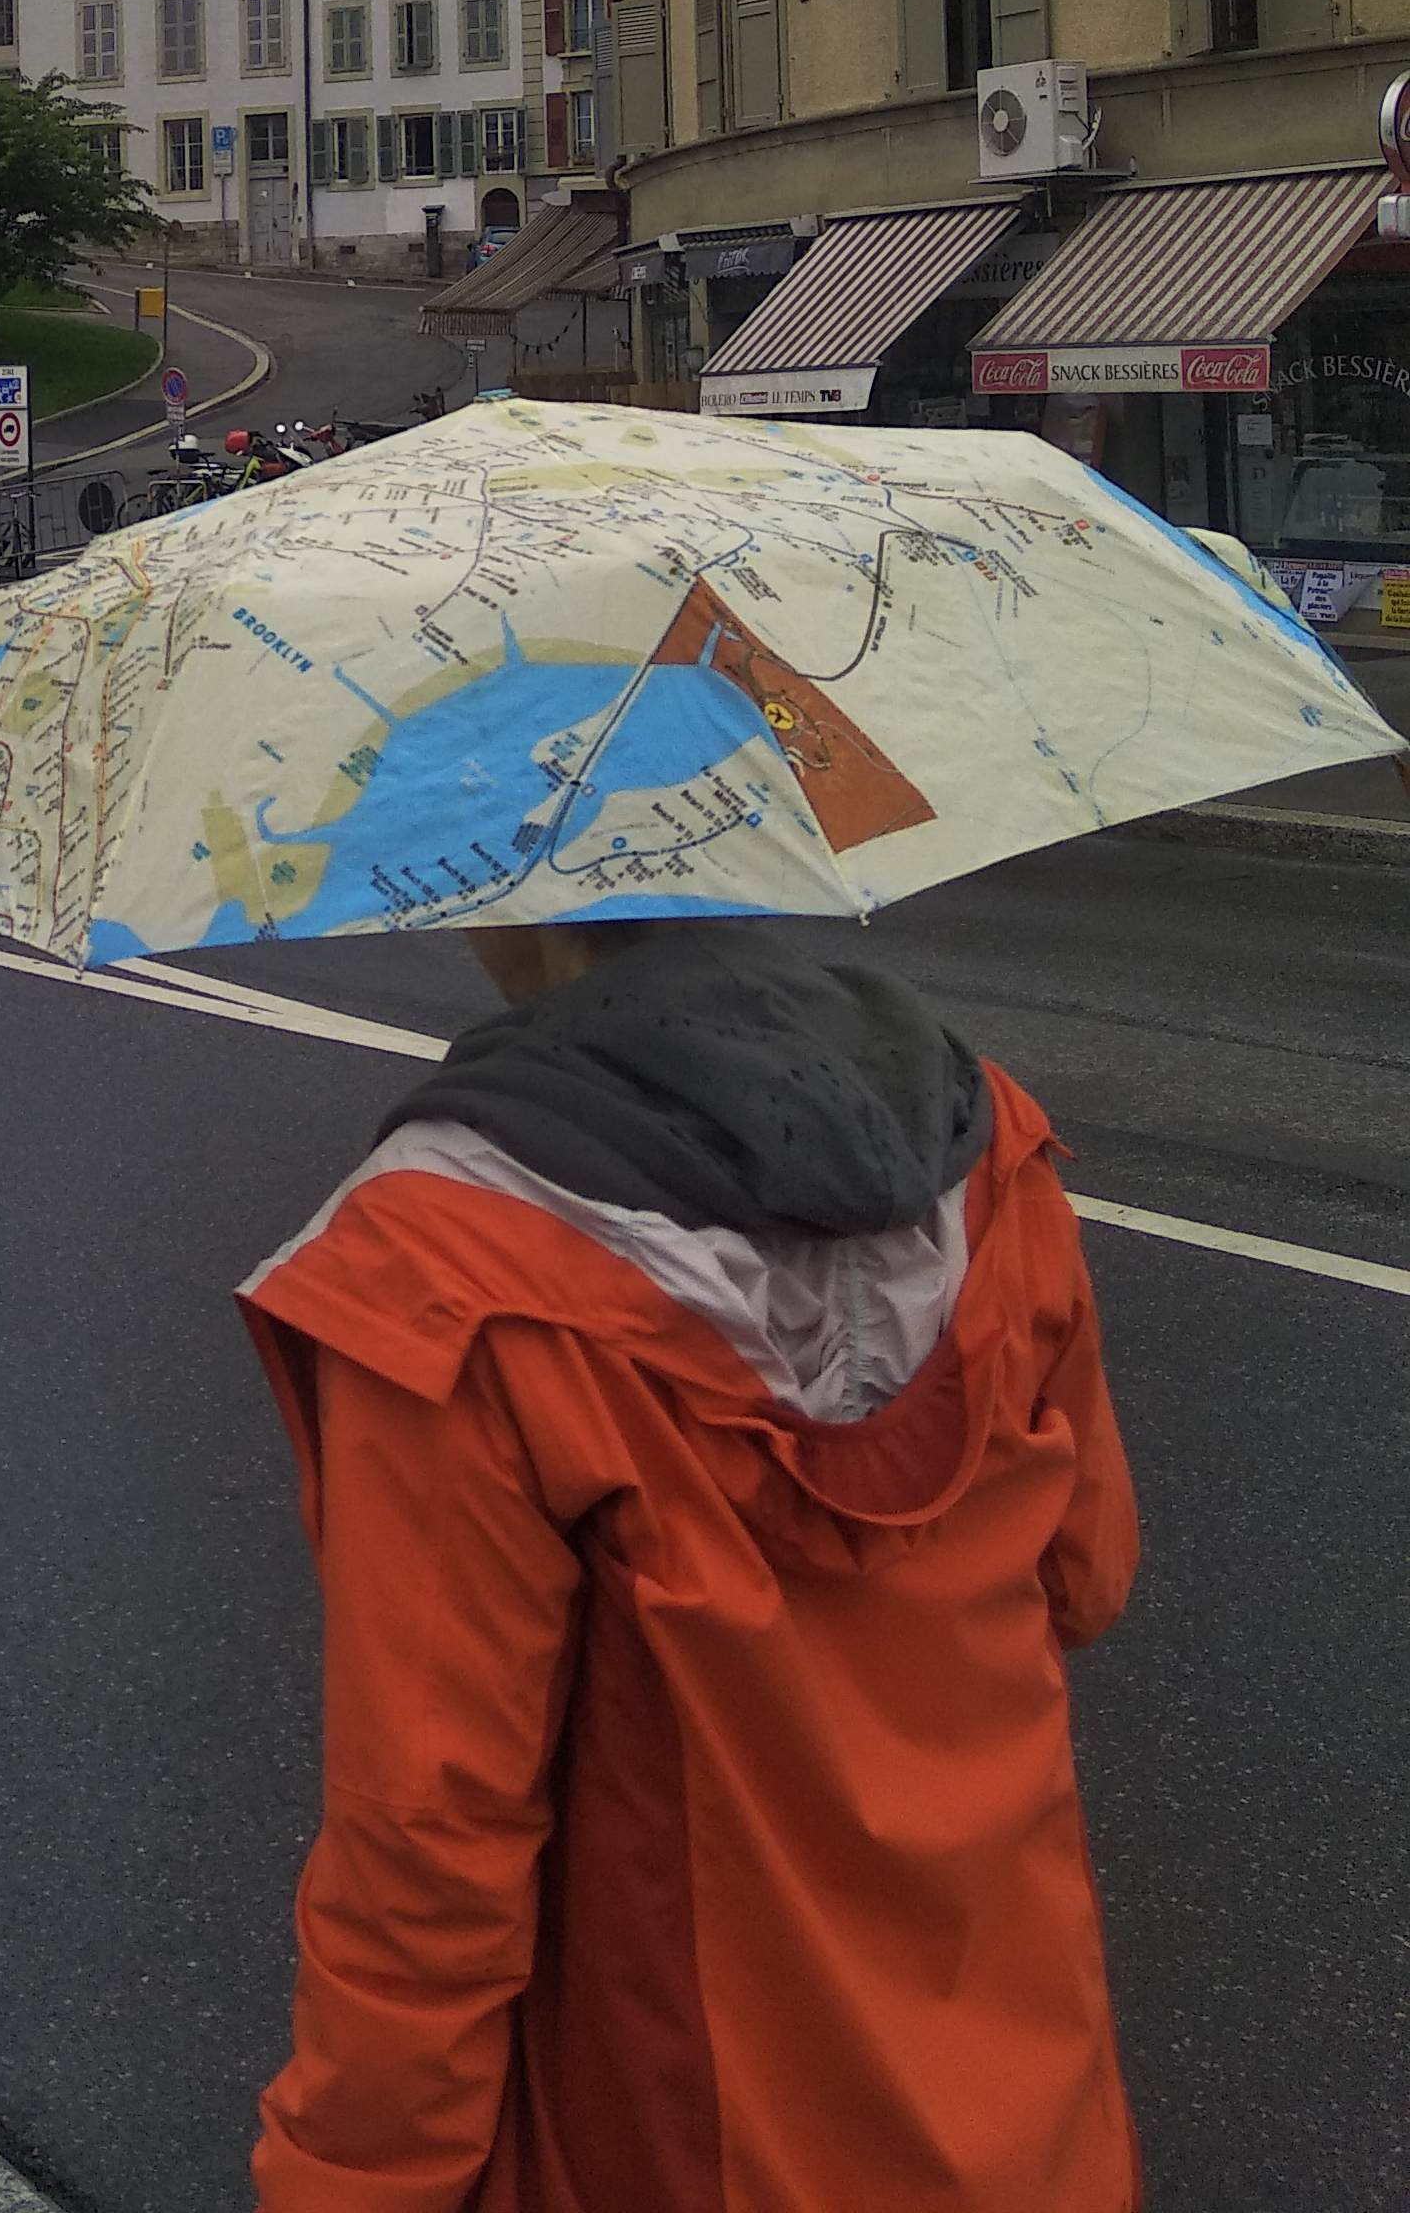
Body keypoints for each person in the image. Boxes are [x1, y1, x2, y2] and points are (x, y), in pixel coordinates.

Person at [241, 913, 1141, 2212]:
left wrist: (352, 2188)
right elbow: (1086, 1576)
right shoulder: (987, 1138)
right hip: (1025, 2099)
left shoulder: (444, 1266)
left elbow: (429, 1856)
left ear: (510, 862)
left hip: (691, 2136)